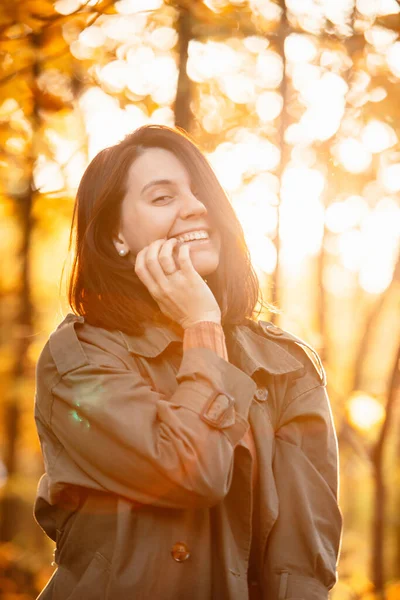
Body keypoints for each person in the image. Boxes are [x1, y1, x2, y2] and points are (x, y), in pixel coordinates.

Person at [34, 124, 343, 600]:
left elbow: (303, 561)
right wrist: (202, 325)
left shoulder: (286, 366)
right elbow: (188, 472)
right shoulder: (80, 358)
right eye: (162, 198)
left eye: (201, 193)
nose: (196, 207)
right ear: (117, 236)